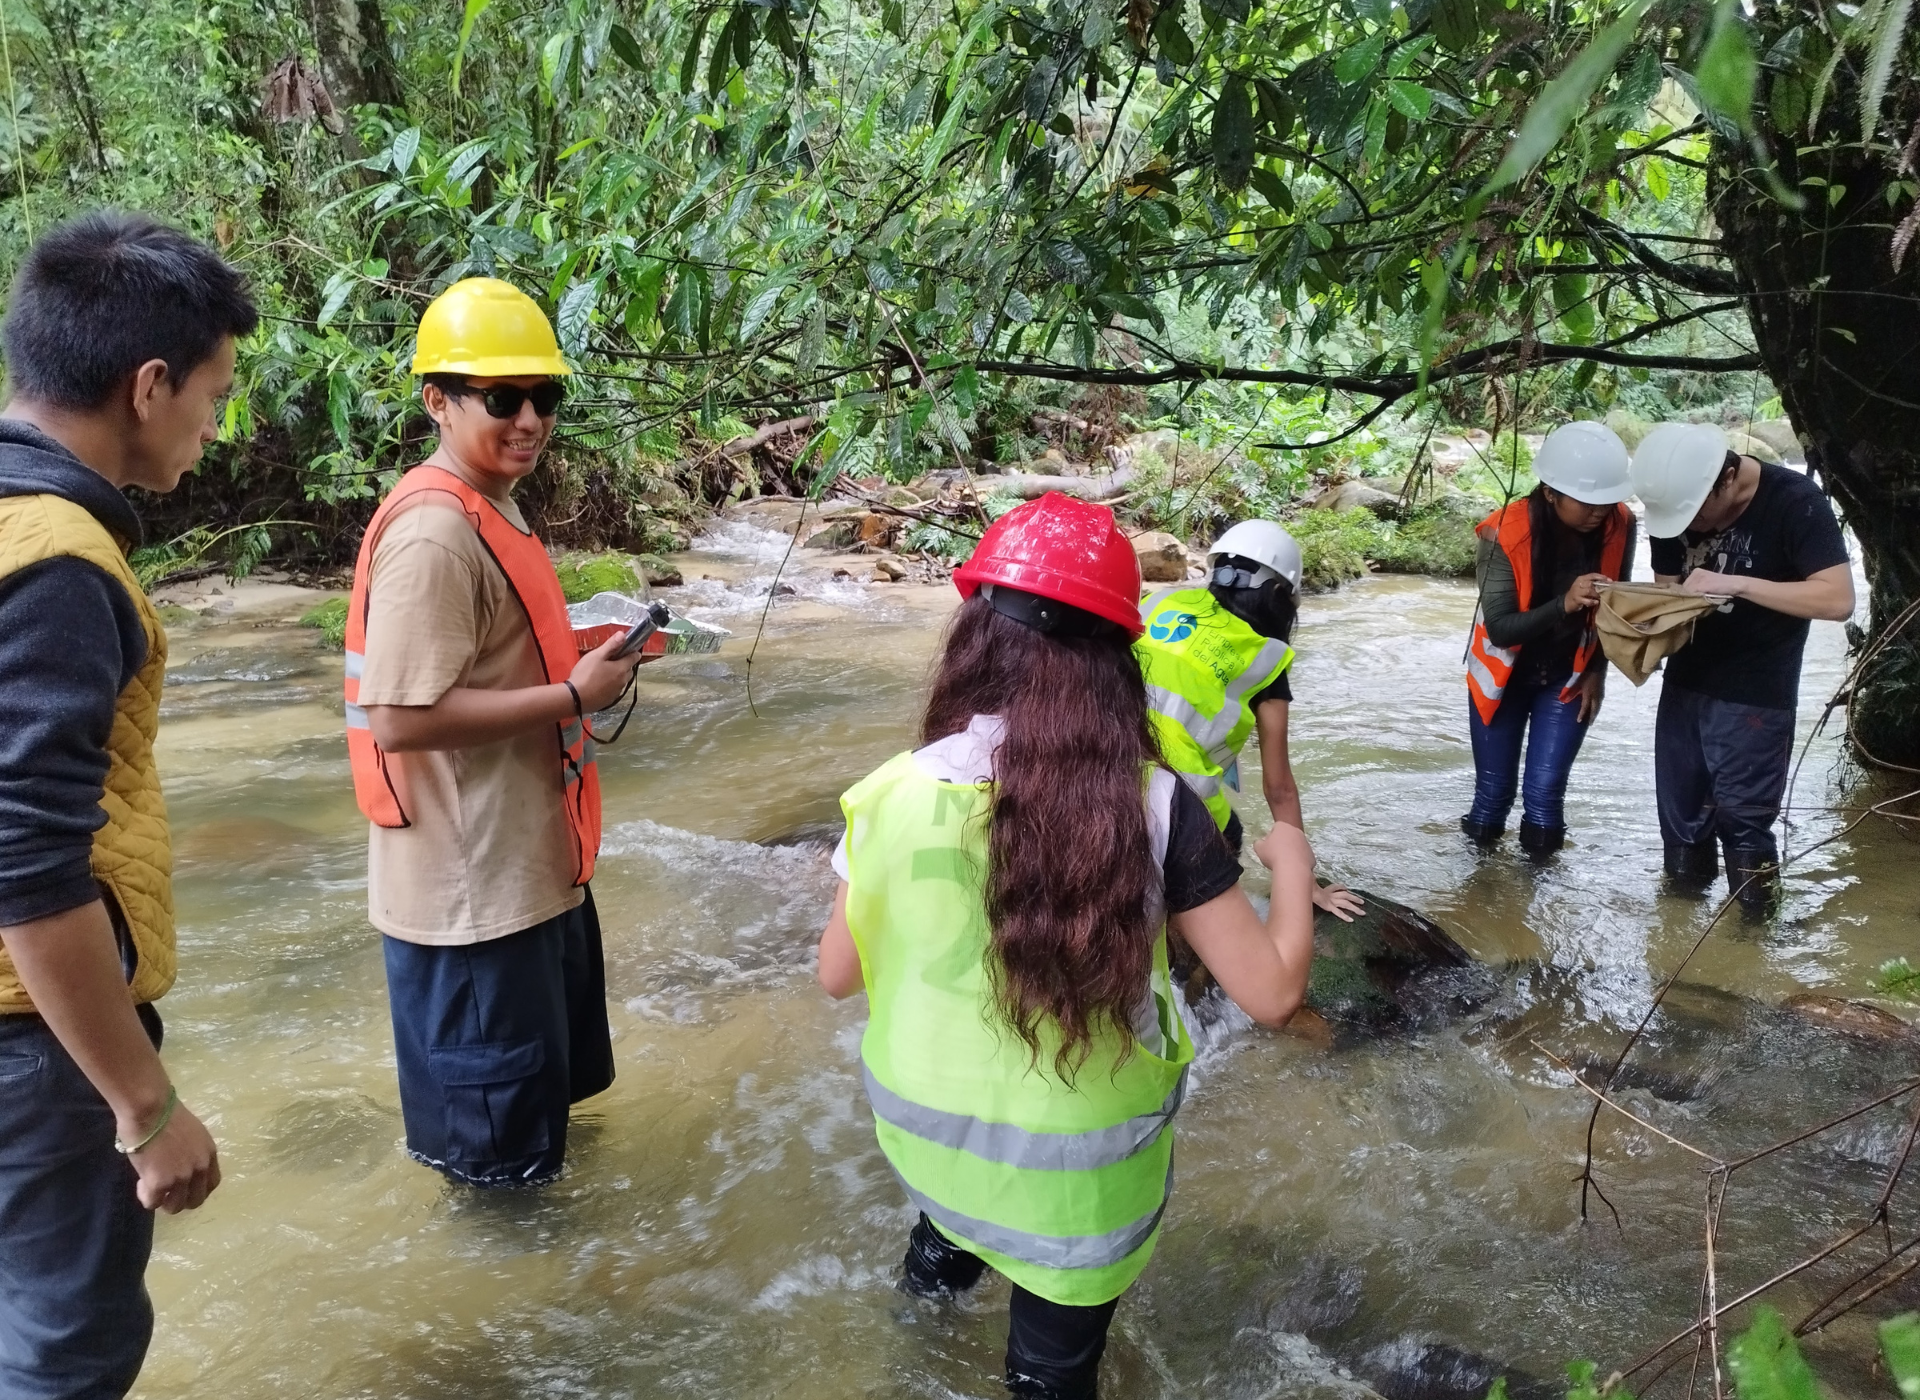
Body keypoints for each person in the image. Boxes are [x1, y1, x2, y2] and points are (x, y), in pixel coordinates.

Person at [816, 492, 1317, 1400]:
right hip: (1078, 1194)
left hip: (931, 1148)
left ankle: (912, 1338)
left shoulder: (888, 791)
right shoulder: (1160, 808)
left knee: (933, 1284)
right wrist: (1292, 862)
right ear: (1115, 659)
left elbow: (835, 975)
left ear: (975, 636)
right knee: (1046, 1377)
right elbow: (1275, 995)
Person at [0, 212, 251, 1398]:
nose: (215, 424)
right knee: (68, 1347)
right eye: (213, 393)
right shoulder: (58, 563)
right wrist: (144, 1106)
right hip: (31, 1044)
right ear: (148, 385)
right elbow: (28, 867)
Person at [344, 278, 645, 1186]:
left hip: (525, 879)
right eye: (502, 398)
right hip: (472, 910)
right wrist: (570, 696)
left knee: (539, 1139)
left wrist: (584, 665)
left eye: (544, 398)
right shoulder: (436, 531)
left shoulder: (491, 501)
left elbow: (477, 664)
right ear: (436, 400)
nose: (529, 420)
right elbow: (397, 717)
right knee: (500, 1181)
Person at [1631, 422, 1853, 914]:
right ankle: (1681, 939)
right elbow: (1668, 592)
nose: (1693, 526)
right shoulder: (1675, 506)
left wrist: (1739, 584)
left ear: (1728, 477)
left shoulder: (1795, 502)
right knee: (1681, 819)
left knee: (1744, 823)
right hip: (1686, 683)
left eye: (1697, 514)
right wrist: (1631, 618)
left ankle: (1754, 942)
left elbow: (1838, 600)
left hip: (1757, 692)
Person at [1136, 519, 1363, 918]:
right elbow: (1280, 789)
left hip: (1097, 761)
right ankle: (1197, 932)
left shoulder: (1159, 603)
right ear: (1279, 596)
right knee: (1229, 833)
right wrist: (1303, 881)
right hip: (1166, 796)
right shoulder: (1266, 658)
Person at [1461, 421, 1637, 857]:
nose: (1600, 511)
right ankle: (1479, 891)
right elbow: (1500, 627)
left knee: (1544, 798)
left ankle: (1535, 905)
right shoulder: (1504, 532)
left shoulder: (1620, 523)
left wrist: (1598, 672)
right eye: (1588, 501)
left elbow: (1616, 603)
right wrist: (1565, 603)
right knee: (1494, 795)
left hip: (1568, 673)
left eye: (1607, 500)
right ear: (1551, 492)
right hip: (1503, 677)